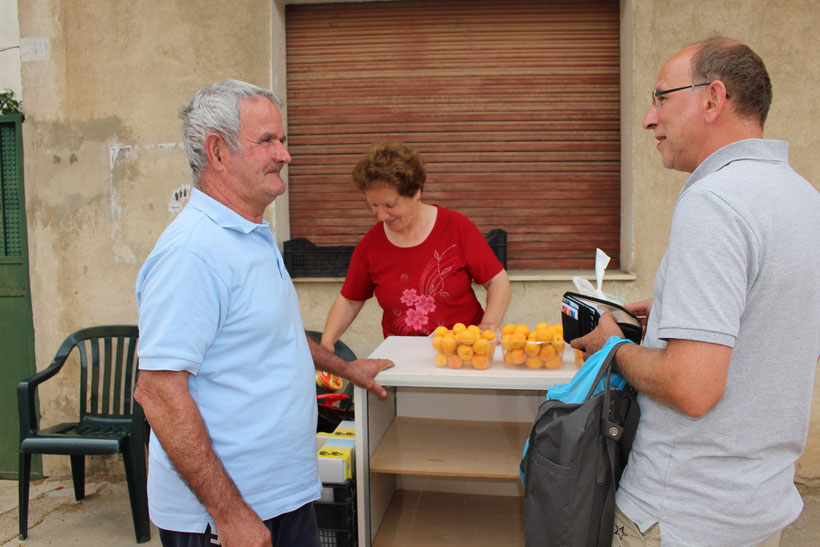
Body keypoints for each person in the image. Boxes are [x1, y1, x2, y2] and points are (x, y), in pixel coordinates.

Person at [571, 37, 820, 546]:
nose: (648, 118)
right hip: (759, 511)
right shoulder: (802, 197)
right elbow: (774, 319)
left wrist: (611, 348)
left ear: (713, 99)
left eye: (661, 97)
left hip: (682, 514)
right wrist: (675, 311)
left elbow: (692, 388)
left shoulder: (715, 202)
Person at [133, 79, 394, 547]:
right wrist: (229, 514)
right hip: (227, 515)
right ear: (217, 152)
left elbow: (277, 336)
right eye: (267, 141)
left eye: (283, 140)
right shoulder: (192, 254)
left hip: (281, 496)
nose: (284, 154)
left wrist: (346, 368)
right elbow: (158, 392)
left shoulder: (253, 232)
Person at [321, 142, 512, 350]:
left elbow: (497, 281)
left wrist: (489, 324)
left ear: (416, 191)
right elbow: (350, 301)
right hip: (403, 357)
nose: (381, 215)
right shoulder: (370, 245)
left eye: (390, 205)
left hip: (464, 352)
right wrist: (327, 344)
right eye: (373, 205)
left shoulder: (456, 227)